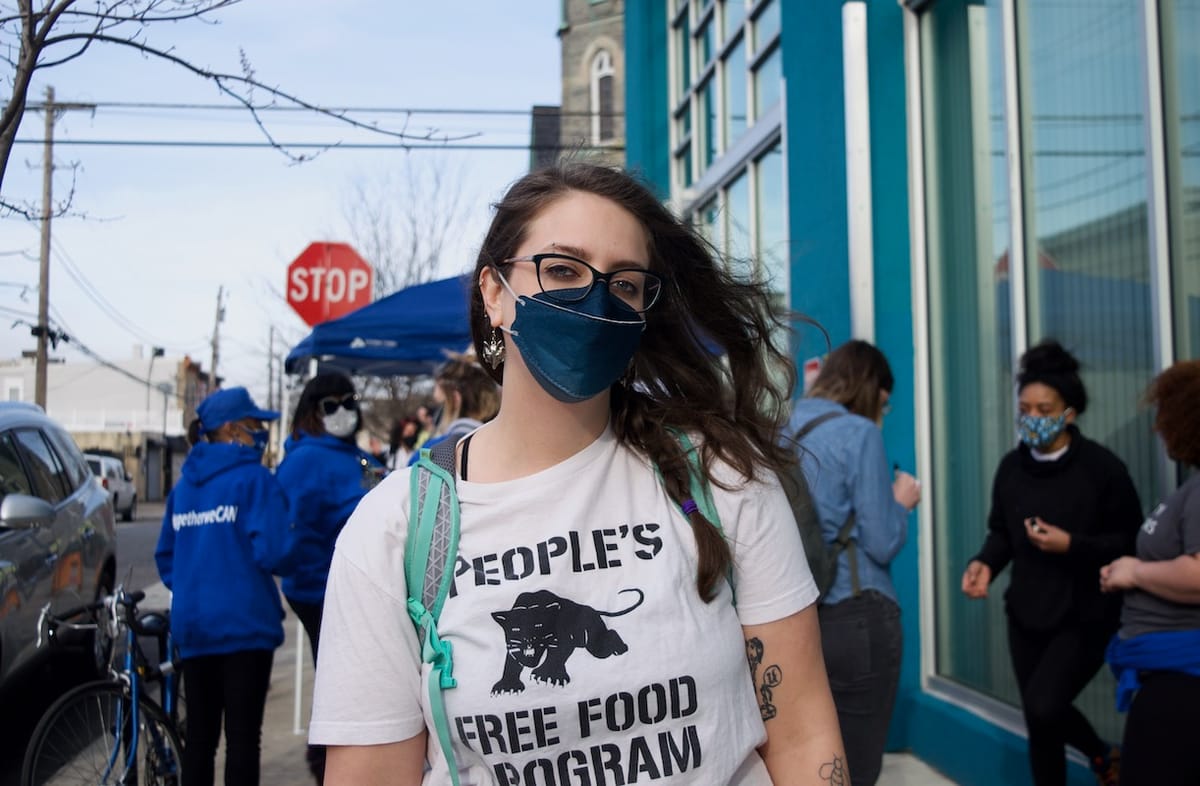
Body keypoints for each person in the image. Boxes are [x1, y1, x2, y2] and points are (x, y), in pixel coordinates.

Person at [309, 162, 845, 784]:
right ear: (493, 291)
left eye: (623, 283)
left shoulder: (720, 478)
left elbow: (804, 734)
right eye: (562, 269)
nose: (593, 299)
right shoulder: (396, 528)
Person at [961, 339, 1142, 786]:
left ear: (1069, 413)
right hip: (1025, 612)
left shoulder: (1103, 470)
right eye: (1026, 408)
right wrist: (984, 563)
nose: (1033, 419)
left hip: (1086, 614)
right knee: (1040, 725)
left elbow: (1130, 543)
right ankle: (1101, 758)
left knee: (1045, 706)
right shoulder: (1011, 468)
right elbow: (1002, 530)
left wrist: (1072, 545)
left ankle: (1101, 753)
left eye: (1045, 409)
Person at [782, 339, 920, 786]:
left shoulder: (779, 430)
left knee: (806, 762)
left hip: (793, 620)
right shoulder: (859, 433)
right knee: (857, 766)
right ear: (872, 388)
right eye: (886, 400)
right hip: (856, 611)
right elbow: (882, 541)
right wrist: (901, 502)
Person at [155, 386, 294, 786]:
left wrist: (196, 586)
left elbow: (166, 556)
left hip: (195, 628)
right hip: (244, 628)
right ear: (233, 430)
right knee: (242, 741)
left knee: (199, 741)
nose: (260, 432)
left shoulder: (183, 488)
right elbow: (276, 552)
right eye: (255, 425)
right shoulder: (254, 480)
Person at [276, 372, 386, 784]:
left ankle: (333, 760)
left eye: (348, 402)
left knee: (348, 682)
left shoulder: (353, 456)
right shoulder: (302, 462)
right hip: (323, 592)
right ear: (313, 411)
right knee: (344, 686)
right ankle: (330, 763)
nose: (342, 412)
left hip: (357, 590)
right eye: (330, 405)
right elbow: (287, 535)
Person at [1100, 359, 1200, 786]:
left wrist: (1135, 572)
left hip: (1183, 688)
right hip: (1169, 681)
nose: (1158, 427)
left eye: (1164, 412)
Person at [406, 354, 500, 465]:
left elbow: (406, 476)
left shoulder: (431, 450)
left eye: (441, 405)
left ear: (455, 400)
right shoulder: (500, 447)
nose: (436, 416)